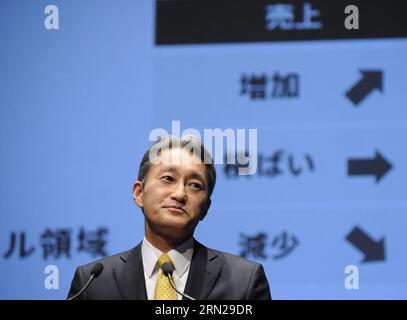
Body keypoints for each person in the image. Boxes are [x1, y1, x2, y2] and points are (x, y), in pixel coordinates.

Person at [67, 135, 271, 300]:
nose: (180, 194)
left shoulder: (243, 281)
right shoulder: (93, 283)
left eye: (194, 185)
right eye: (168, 179)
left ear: (206, 207)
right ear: (139, 193)